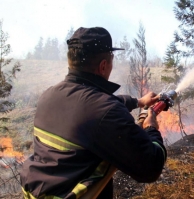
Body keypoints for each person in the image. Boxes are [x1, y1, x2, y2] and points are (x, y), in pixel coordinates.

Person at [20, 27, 167, 199]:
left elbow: (90, 109)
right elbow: (151, 167)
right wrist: (151, 128)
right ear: (103, 66)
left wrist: (137, 102)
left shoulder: (49, 95)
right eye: (112, 59)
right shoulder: (105, 111)